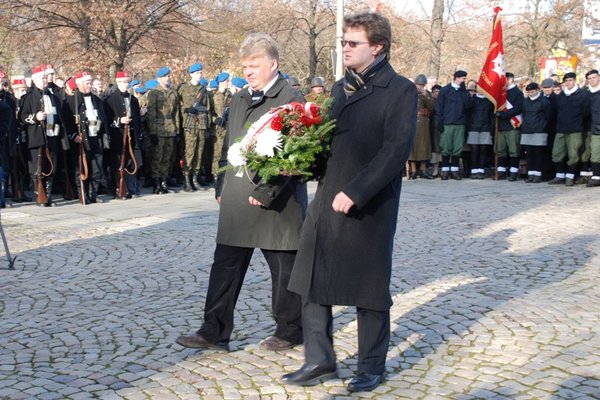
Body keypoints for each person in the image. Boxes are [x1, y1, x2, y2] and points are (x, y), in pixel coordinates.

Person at [283, 12, 417, 393]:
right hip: (327, 199)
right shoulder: (340, 88)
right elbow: (327, 144)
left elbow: (395, 151)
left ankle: (370, 366)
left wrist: (357, 192)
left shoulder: (401, 90)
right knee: (311, 279)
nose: (344, 47)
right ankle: (319, 359)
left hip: (369, 206)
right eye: (343, 41)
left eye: (352, 42)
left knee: (369, 290)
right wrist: (299, 163)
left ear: (377, 47)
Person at [175, 33, 305, 352]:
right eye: (245, 66)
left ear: (273, 64)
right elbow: (227, 144)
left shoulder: (291, 98)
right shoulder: (239, 98)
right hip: (236, 199)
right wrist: (221, 184)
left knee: (284, 270)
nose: (248, 72)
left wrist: (267, 192)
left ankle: (290, 330)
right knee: (225, 268)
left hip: (277, 203)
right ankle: (213, 331)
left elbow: (297, 155)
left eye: (254, 65)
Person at [65, 71, 110, 204]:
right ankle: (82, 193)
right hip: (80, 139)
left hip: (95, 137)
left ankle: (93, 192)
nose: (90, 85)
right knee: (81, 168)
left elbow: (103, 118)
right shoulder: (71, 101)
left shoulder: (96, 99)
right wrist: (73, 135)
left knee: (97, 167)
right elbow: (67, 122)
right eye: (87, 83)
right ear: (79, 84)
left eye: (91, 82)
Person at [104, 71, 143, 198]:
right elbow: (107, 120)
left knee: (132, 162)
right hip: (118, 136)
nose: (126, 85)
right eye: (123, 82)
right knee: (118, 163)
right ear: (117, 82)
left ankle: (132, 188)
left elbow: (137, 120)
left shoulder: (134, 100)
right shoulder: (109, 100)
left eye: (127, 82)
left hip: (132, 136)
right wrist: (119, 121)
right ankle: (118, 188)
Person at [548, 72, 590, 186]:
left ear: (575, 80)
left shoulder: (582, 95)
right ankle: (560, 175)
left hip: (575, 129)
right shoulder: (560, 96)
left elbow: (586, 112)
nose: (568, 83)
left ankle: (570, 176)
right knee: (557, 153)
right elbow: (556, 110)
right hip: (561, 128)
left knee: (573, 154)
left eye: (570, 80)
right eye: (566, 81)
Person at [146, 67, 180, 194]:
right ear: (159, 78)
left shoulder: (173, 93)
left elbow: (176, 113)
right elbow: (151, 113)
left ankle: (164, 181)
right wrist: (153, 131)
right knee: (157, 157)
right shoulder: (154, 93)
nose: (168, 78)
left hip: (170, 128)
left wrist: (176, 130)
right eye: (165, 77)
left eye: (168, 76)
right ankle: (156, 183)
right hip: (159, 128)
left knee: (167, 156)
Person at [177, 63, 209, 192]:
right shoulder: (183, 88)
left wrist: (206, 125)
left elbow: (207, 108)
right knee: (189, 152)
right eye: (196, 73)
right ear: (191, 74)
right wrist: (186, 109)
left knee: (199, 153)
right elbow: (177, 105)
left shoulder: (203, 89)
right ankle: (187, 180)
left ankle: (195, 179)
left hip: (201, 124)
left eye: (200, 73)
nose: (199, 75)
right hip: (189, 124)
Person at [436, 70, 473, 180]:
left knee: (457, 148)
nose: (464, 80)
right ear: (457, 78)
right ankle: (445, 171)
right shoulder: (445, 90)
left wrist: (465, 92)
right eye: (463, 78)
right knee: (446, 147)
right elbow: (439, 107)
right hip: (447, 123)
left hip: (460, 123)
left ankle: (455, 171)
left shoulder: (463, 91)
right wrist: (439, 122)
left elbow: (468, 106)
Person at [520, 82, 551, 183]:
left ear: (537, 90)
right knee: (529, 153)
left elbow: (548, 116)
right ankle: (531, 173)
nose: (530, 94)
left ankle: (538, 174)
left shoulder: (544, 101)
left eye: (532, 91)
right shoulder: (525, 101)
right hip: (527, 130)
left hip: (539, 130)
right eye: (528, 92)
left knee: (538, 153)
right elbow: (523, 114)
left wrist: (542, 126)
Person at [496, 72, 523, 181]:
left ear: (510, 79)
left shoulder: (517, 93)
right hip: (501, 126)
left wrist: (503, 115)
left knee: (514, 150)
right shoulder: (500, 92)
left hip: (512, 125)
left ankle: (513, 172)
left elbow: (518, 108)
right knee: (501, 150)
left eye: (505, 79)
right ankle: (501, 171)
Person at [408, 74, 433, 179]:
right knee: (412, 146)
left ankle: (423, 169)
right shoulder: (409, 93)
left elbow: (432, 107)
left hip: (423, 123)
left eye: (422, 85)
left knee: (423, 146)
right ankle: (413, 170)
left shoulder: (427, 94)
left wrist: (425, 96)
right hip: (411, 121)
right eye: (419, 85)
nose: (420, 87)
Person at [466, 82, 494, 179]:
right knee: (474, 150)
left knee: (483, 149)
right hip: (473, 127)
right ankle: (474, 170)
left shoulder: (489, 101)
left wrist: (491, 128)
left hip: (485, 127)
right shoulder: (472, 100)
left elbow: (491, 115)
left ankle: (481, 170)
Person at [585, 69, 600, 187]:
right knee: (595, 152)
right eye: (589, 78)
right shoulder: (585, 93)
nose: (592, 80)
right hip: (593, 128)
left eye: (594, 77)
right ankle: (596, 176)